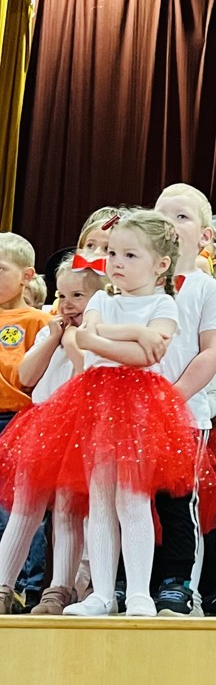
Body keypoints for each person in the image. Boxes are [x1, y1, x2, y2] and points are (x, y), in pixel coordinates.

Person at [0, 210, 198, 617]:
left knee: (132, 499)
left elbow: (143, 357)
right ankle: (103, 593)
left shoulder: (165, 303)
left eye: (129, 255)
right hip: (96, 404)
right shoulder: (104, 299)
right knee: (101, 500)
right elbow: (86, 339)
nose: (117, 263)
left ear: (161, 264)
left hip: (138, 407)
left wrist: (111, 338)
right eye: (113, 254)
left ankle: (139, 592)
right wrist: (136, 333)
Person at [0, 259, 105, 613]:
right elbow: (27, 376)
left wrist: (73, 338)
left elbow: (85, 369)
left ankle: (59, 589)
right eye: (62, 295)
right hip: (42, 423)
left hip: (79, 427)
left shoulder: (98, 333)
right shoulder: (50, 330)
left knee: (67, 510)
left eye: (78, 296)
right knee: (24, 508)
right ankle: (3, 585)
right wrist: (55, 337)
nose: (67, 304)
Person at [152, 183, 216, 616]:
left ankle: (180, 585)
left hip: (184, 413)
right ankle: (134, 583)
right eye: (162, 215)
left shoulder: (210, 291)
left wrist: (171, 396)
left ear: (205, 235)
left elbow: (212, 352)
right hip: (135, 413)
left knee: (180, 500)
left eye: (181, 216)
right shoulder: (136, 285)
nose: (169, 223)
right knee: (134, 501)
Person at [0, 231, 56, 608]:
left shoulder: (37, 320)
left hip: (18, 420)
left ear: (26, 275)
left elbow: (39, 374)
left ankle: (26, 584)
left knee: (18, 508)